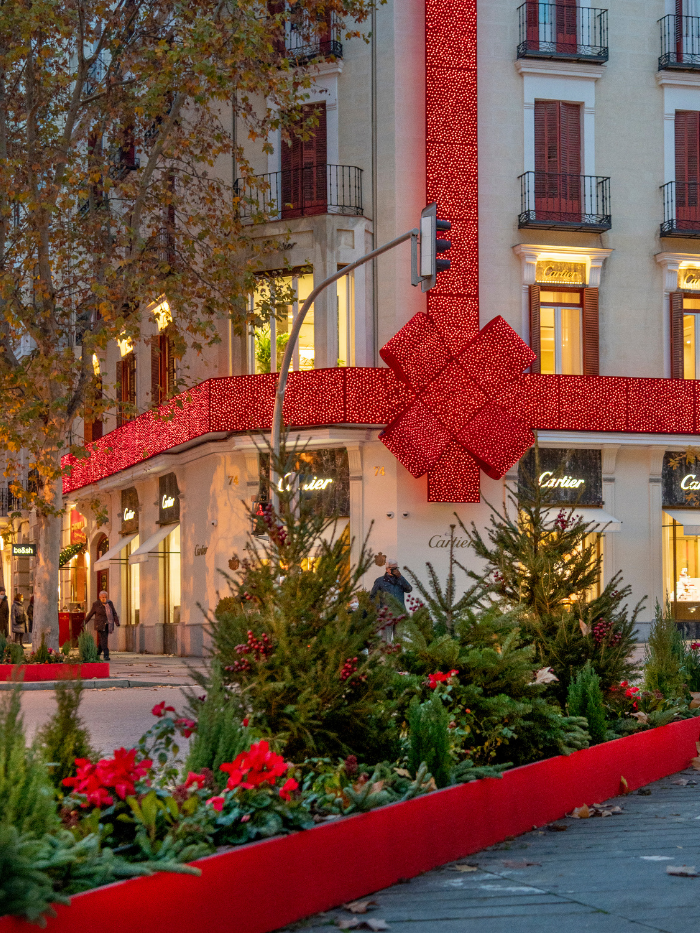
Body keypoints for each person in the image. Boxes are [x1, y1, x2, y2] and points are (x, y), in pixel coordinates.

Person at [84, 590, 119, 661]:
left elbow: (114, 613)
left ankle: (97, 653)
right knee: (104, 639)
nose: (103, 598)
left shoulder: (109, 603)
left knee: (102, 640)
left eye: (105, 597)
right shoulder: (96, 604)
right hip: (99, 625)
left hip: (107, 625)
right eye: (102, 597)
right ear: (99, 597)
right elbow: (90, 614)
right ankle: (106, 654)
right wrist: (84, 622)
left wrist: (117, 622)